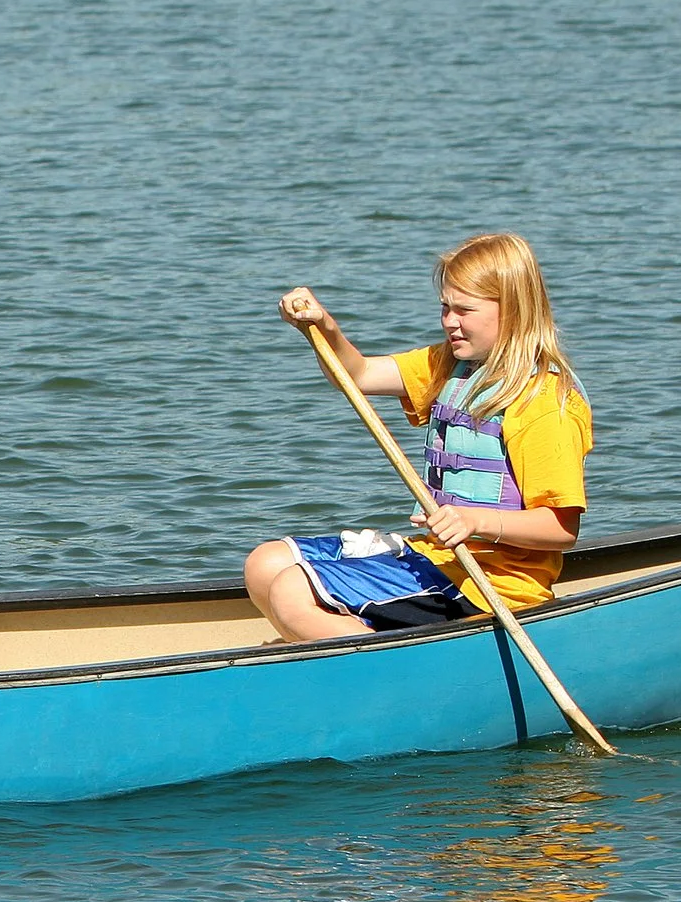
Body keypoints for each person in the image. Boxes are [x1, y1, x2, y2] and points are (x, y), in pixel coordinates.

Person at [245, 233, 594, 642]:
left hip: (491, 587)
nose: (449, 321)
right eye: (445, 307)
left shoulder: (543, 402)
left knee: (292, 590)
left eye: (464, 309)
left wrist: (475, 520)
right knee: (265, 564)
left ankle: (383, 676)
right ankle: (345, 643)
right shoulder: (453, 366)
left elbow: (561, 528)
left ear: (514, 311)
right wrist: (322, 327)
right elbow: (358, 376)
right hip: (436, 559)